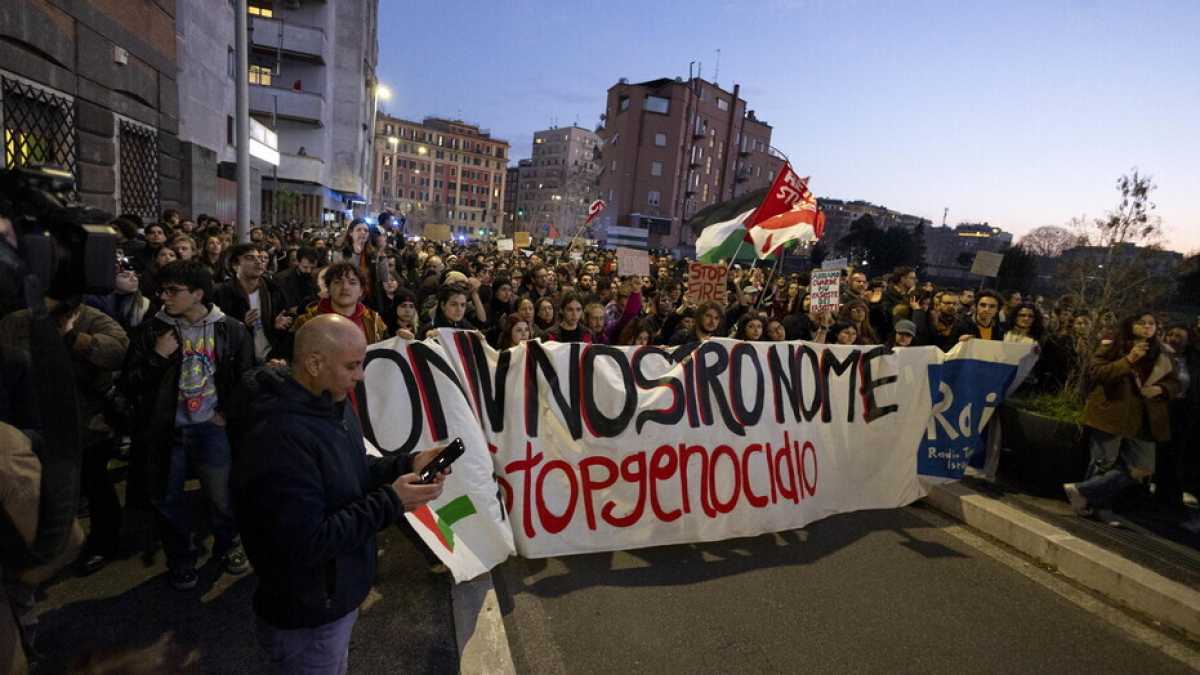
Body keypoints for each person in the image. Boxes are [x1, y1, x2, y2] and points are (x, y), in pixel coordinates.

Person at [234, 316, 447, 674]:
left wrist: (408, 463)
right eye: (352, 365)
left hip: (332, 598)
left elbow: (353, 469)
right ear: (315, 363)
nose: (361, 376)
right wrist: (391, 502)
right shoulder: (278, 438)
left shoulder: (331, 402)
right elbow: (305, 543)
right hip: (309, 614)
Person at [118, 260, 254, 590]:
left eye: (172, 291)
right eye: (162, 290)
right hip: (167, 430)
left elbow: (246, 380)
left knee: (221, 496)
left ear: (197, 293)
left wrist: (227, 414)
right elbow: (129, 382)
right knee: (168, 499)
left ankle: (228, 545)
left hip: (211, 428)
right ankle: (181, 557)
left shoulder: (230, 329)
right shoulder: (154, 329)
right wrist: (158, 356)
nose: (163, 297)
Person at [1064, 311, 1181, 521]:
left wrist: (1162, 389)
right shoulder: (1113, 343)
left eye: (1151, 323)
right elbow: (1097, 372)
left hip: (1145, 419)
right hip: (1112, 412)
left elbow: (1175, 382)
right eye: (1141, 323)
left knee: (1143, 467)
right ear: (1130, 324)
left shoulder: (1163, 352)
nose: (1147, 327)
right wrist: (1128, 360)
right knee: (1103, 462)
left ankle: (1082, 490)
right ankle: (1097, 506)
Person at [213, 243, 293, 365]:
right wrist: (241, 325)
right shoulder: (221, 293)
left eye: (260, 257)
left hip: (270, 357)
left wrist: (278, 325)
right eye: (250, 258)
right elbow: (216, 332)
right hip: (238, 362)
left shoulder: (273, 289)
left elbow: (286, 323)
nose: (258, 261)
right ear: (235, 265)